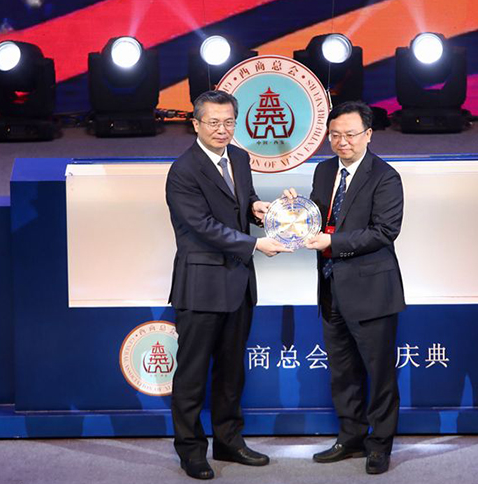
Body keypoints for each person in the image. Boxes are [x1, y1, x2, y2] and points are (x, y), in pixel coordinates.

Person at [166, 90, 290, 480]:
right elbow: (202, 227)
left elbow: (241, 201)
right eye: (214, 122)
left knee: (232, 371)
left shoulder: (238, 157)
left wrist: (257, 208)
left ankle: (228, 441)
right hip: (201, 285)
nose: (222, 130)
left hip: (238, 283)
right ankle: (191, 451)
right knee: (192, 374)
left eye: (229, 122)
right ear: (196, 124)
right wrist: (255, 244)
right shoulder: (183, 170)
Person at [286, 100, 405, 475]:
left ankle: (379, 445)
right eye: (335, 135)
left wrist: (332, 243)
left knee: (379, 374)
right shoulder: (324, 171)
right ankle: (350, 437)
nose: (342, 142)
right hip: (330, 288)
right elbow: (318, 217)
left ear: (368, 135)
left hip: (372, 292)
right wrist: (295, 211)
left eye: (350, 134)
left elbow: (384, 232)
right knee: (342, 371)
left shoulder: (385, 177)